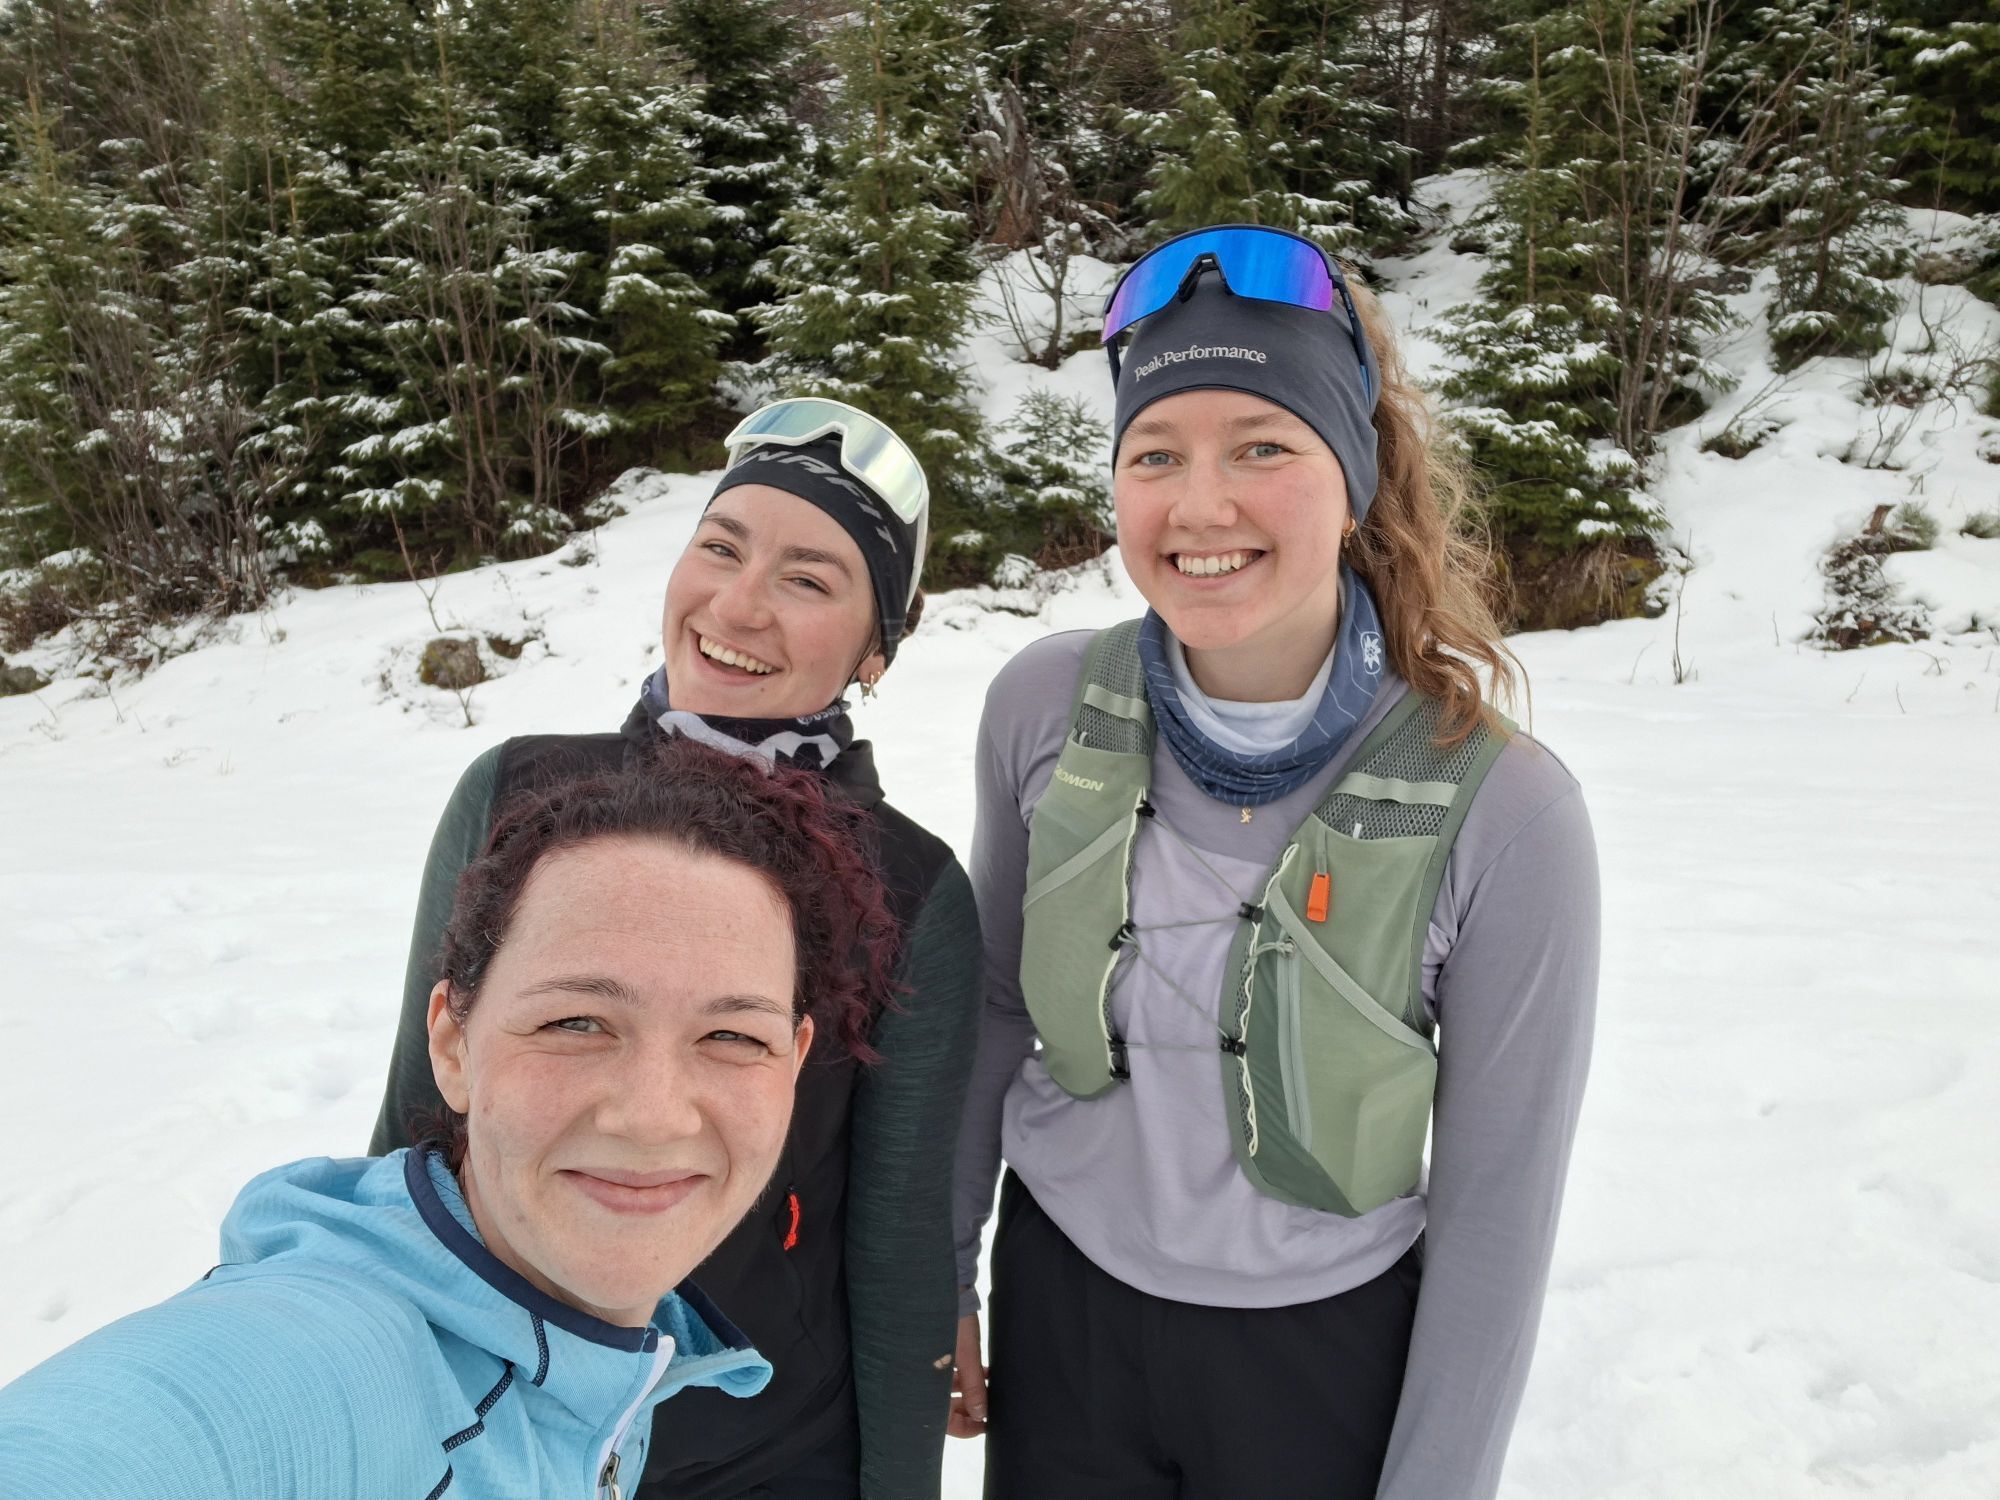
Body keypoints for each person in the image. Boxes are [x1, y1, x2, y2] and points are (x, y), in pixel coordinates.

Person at [947, 225, 1600, 1499]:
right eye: (1154, 454)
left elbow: (1497, 1211)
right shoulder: (1041, 707)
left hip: (1320, 1360)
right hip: (1061, 1317)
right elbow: (989, 1004)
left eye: (1261, 447)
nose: (1200, 507)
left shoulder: (1507, 810)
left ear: (1351, 479)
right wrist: (938, 1277)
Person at [0, 740, 899, 1499]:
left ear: (794, 1059)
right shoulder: (324, 1364)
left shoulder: (599, 1348)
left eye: (732, 1035)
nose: (653, 1117)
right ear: (451, 1042)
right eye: (575, 1022)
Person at [369, 397, 980, 1500]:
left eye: (808, 580)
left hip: (759, 1456)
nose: (737, 605)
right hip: (494, 1428)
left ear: (875, 651)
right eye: (721, 548)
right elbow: (414, 1126)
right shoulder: (516, 792)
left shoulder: (909, 886)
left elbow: (896, 1244)